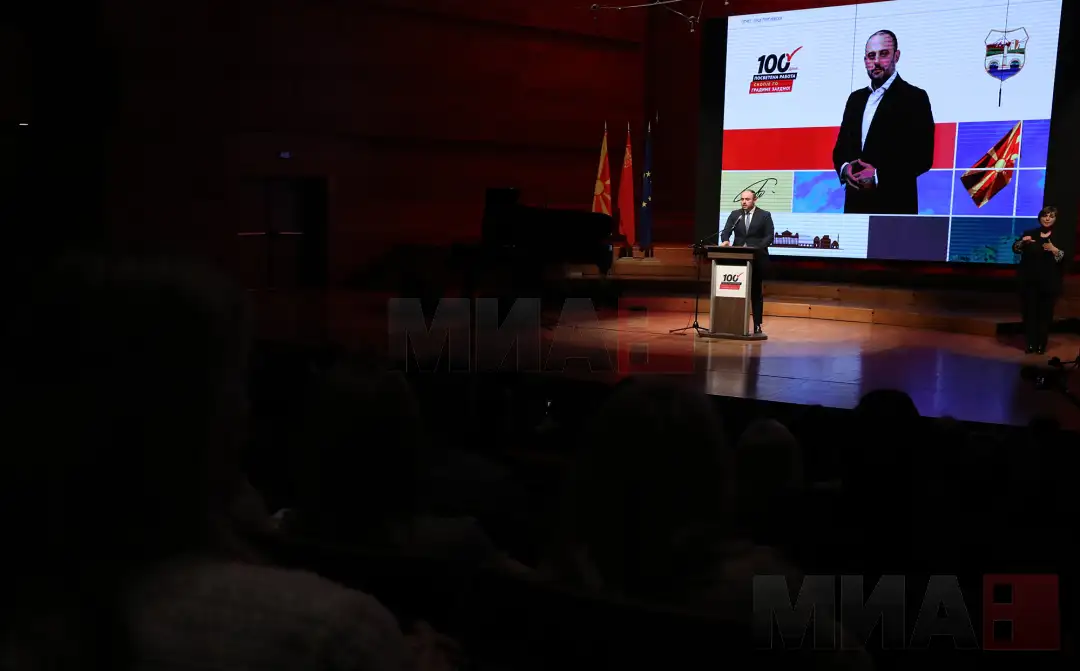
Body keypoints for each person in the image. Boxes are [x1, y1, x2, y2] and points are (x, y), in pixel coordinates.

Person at [832, 29, 935, 214]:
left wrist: (878, 176)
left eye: (884, 54)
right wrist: (845, 168)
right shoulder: (855, 99)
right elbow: (841, 149)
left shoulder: (915, 97)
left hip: (895, 207)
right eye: (871, 56)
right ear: (865, 60)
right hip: (855, 206)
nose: (877, 61)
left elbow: (922, 157)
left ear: (896, 56)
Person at [719, 189, 774, 334]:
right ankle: (734, 323)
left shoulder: (764, 215)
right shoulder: (735, 215)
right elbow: (726, 231)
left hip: (756, 259)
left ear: (754, 200)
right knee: (736, 292)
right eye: (742, 199)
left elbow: (769, 236)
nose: (744, 202)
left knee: (755, 292)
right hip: (737, 259)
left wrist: (756, 248)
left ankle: (757, 324)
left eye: (747, 199)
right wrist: (725, 240)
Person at [1013, 206, 1064, 354]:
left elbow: (1064, 258)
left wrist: (1054, 249)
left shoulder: (1060, 236)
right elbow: (1015, 248)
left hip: (1049, 283)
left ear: (1055, 219)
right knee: (1029, 314)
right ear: (1040, 217)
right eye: (1045, 215)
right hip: (1029, 282)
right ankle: (1030, 344)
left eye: (1051, 216)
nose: (1047, 219)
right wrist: (1022, 243)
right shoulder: (1030, 233)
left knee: (1045, 315)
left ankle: (1041, 344)